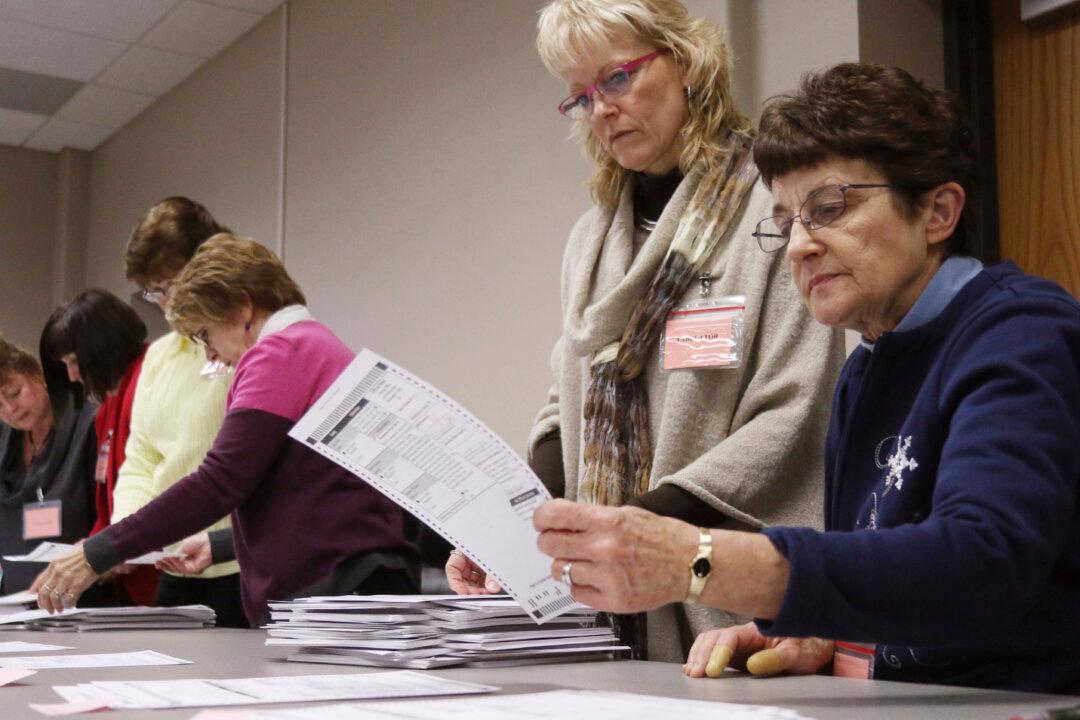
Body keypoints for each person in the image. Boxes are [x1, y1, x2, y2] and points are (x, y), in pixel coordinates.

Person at [533, 63, 1080, 693]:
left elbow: (982, 564)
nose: (799, 246)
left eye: (828, 208)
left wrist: (698, 560)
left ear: (937, 212)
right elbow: (899, 588)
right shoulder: (866, 368)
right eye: (787, 221)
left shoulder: (1021, 332)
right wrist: (822, 634)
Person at [448, 0, 844, 661]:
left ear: (685, 61)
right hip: (604, 600)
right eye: (579, 96)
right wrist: (520, 522)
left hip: (728, 601)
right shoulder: (592, 238)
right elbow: (563, 401)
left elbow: (795, 412)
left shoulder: (771, 209)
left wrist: (638, 527)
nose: (600, 109)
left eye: (617, 78)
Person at [34, 234, 419, 626]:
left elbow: (219, 482)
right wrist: (220, 544)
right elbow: (306, 497)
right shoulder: (315, 345)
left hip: (334, 589)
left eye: (205, 334)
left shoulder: (279, 351)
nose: (210, 354)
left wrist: (98, 552)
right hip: (348, 581)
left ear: (241, 305)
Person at [116, 198, 246, 628]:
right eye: (154, 291)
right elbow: (143, 459)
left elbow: (244, 467)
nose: (165, 303)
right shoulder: (157, 356)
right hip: (174, 566)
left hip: (238, 565)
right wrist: (123, 535)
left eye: (171, 284)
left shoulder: (246, 346)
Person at [40, 290, 158, 606]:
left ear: (102, 346)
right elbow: (110, 502)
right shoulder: (107, 407)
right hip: (131, 580)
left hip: (163, 575)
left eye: (75, 362)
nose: (73, 376)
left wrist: (100, 552)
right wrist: (84, 554)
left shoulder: (153, 381)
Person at [0, 337, 97, 594]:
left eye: (14, 393)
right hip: (15, 604)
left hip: (84, 598)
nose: (11, 409)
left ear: (39, 375)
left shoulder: (89, 425)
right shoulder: (4, 440)